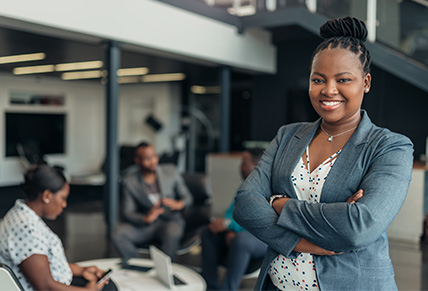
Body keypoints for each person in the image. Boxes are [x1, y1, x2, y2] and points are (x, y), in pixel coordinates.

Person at [233, 16, 414, 291]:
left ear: (365, 82)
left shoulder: (390, 147)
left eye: (343, 79)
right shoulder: (287, 135)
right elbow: (245, 204)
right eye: (319, 79)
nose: (328, 90)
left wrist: (279, 204)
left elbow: (359, 227)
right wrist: (300, 240)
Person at [0, 164, 114, 291]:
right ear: (46, 196)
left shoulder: (20, 212)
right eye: (63, 198)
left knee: (103, 283)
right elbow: (45, 286)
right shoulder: (25, 228)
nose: (64, 204)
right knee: (107, 288)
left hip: (56, 281)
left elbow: (45, 264)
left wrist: (82, 270)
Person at [111, 141, 193, 261]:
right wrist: (145, 218)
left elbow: (188, 197)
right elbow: (127, 212)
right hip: (147, 224)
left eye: (154, 156)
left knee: (172, 234)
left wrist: (179, 204)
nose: (153, 161)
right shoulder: (130, 181)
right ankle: (139, 266)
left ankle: (165, 270)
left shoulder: (171, 171)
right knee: (117, 234)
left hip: (170, 221)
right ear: (137, 160)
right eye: (147, 158)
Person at [201, 147, 267, 290]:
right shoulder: (244, 185)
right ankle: (210, 286)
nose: (240, 167)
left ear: (257, 166)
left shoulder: (268, 188)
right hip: (241, 231)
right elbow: (231, 212)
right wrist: (225, 224)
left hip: (264, 238)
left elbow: (259, 221)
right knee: (208, 232)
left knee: (241, 240)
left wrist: (231, 226)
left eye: (244, 163)